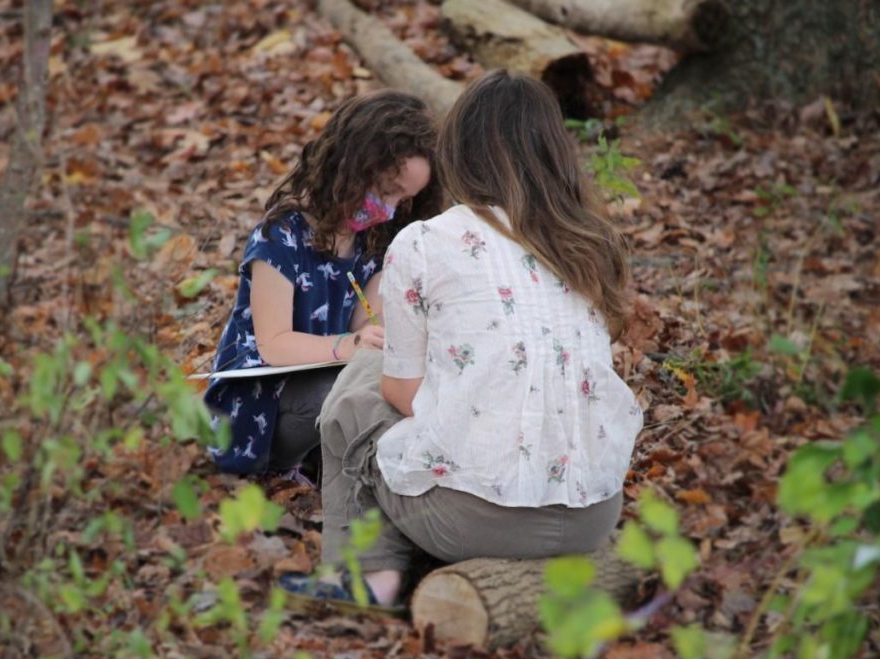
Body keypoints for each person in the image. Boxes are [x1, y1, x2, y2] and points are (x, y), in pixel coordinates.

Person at [283, 71, 643, 608]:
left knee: (362, 381)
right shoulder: (588, 242)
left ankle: (367, 576)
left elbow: (403, 393)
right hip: (595, 512)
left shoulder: (427, 242)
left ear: (459, 150)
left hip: (476, 523)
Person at [204, 91, 441, 479]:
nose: (392, 208)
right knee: (332, 393)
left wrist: (374, 334)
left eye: (405, 199)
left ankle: (330, 466)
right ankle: (277, 469)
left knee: (377, 383)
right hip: (258, 405)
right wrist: (349, 346)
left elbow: (366, 322)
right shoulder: (280, 236)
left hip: (325, 379)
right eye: (387, 190)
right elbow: (274, 343)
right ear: (351, 166)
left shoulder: (373, 240)